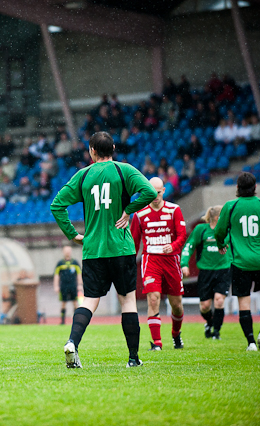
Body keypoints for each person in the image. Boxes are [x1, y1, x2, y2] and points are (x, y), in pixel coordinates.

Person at [50, 131, 157, 368]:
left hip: (93, 250)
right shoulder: (124, 170)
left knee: (89, 300)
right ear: (114, 148)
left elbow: (57, 205)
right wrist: (129, 210)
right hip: (120, 247)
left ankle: (72, 343)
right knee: (127, 301)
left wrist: (73, 235)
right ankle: (132, 358)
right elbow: (149, 192)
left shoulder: (84, 174)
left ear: (92, 151)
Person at [214, 172, 260, 351]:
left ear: (237, 188)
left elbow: (219, 231)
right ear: (255, 188)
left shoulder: (230, 206)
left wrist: (221, 244)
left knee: (243, 303)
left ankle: (251, 342)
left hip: (240, 263)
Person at [130, 177, 187, 351]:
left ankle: (176, 334)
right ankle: (157, 343)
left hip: (171, 261)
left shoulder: (174, 210)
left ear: (164, 191)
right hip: (151, 261)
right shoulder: (139, 214)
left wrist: (174, 246)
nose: (156, 195)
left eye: (159, 192)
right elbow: (134, 242)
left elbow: (182, 235)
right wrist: (129, 262)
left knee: (176, 304)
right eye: (152, 192)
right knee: (153, 299)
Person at [181, 206, 232, 340]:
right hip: (206, 272)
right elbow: (189, 246)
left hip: (224, 270)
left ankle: (217, 332)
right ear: (217, 218)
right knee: (205, 306)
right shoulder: (200, 230)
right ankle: (209, 323)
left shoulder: (228, 231)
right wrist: (184, 264)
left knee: (219, 301)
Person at [53, 246, 83, 325]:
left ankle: (76, 320)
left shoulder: (75, 262)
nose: (67, 252)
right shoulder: (60, 263)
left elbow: (79, 274)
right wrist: (56, 286)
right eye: (66, 251)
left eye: (69, 250)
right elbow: (56, 276)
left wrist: (80, 285)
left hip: (73, 285)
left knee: (75, 303)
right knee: (63, 303)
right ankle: (63, 321)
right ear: (63, 252)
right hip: (64, 286)